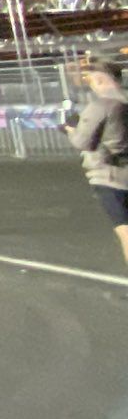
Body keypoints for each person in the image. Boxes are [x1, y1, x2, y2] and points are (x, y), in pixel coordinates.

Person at [70, 60, 128, 268]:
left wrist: (71, 129)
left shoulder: (101, 105)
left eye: (92, 80)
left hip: (110, 177)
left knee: (125, 231)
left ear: (101, 80)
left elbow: (82, 142)